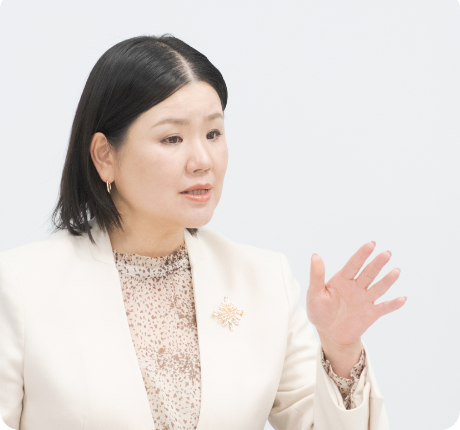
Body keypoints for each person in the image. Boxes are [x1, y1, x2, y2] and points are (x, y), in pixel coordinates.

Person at [0, 34, 405, 430]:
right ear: (105, 155)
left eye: (213, 134)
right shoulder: (20, 286)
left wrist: (340, 350)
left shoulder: (264, 280)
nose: (202, 160)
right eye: (172, 138)